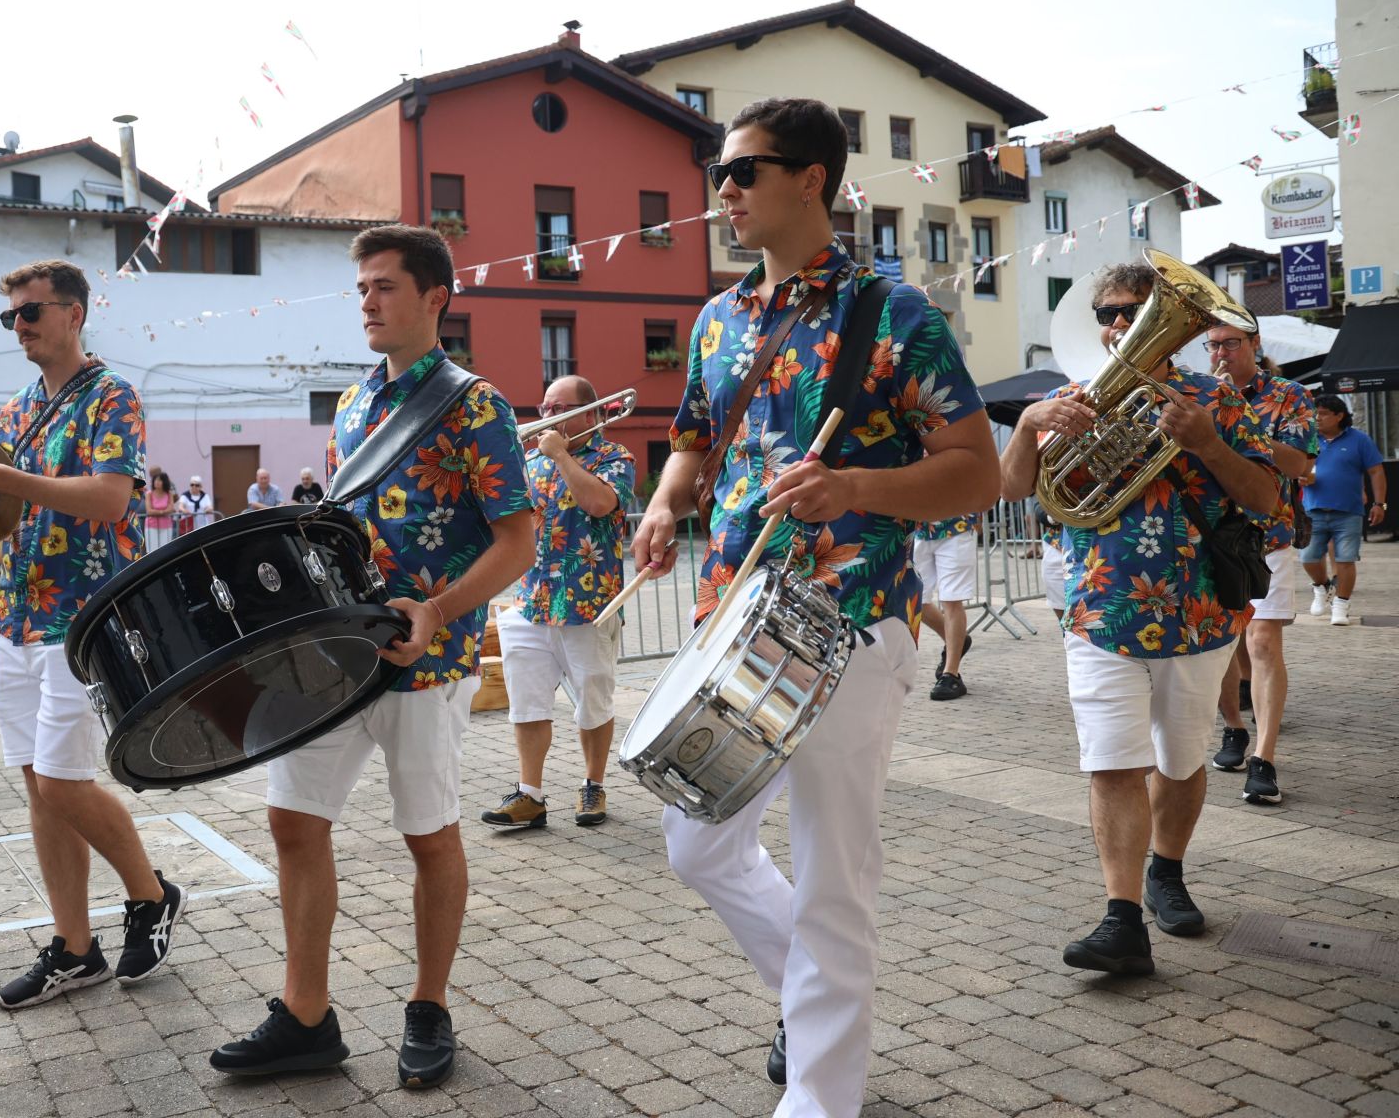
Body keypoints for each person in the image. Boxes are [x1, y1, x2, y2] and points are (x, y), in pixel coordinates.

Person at [630, 98, 997, 1114]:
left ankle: (822, 1094)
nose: (725, 191)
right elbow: (693, 442)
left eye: (746, 171)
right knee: (696, 840)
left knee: (836, 875)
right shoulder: (715, 319)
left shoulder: (892, 314)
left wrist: (858, 489)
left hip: (850, 620)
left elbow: (977, 472)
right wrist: (665, 506)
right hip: (732, 616)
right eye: (721, 172)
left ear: (813, 181)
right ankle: (817, 996)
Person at [210, 224, 533, 1090]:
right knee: (292, 820)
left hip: (428, 661)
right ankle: (307, 1017)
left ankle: (428, 1005)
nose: (367, 303)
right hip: (338, 654)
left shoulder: (477, 406)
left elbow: (517, 543)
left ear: (435, 297)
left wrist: (437, 608)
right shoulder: (353, 405)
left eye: (384, 287)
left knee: (428, 837)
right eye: (360, 289)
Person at [1000, 261, 1277, 977]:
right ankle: (1121, 918)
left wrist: (1208, 443)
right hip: (1100, 611)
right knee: (1111, 761)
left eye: (1131, 309)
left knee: (1181, 762)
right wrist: (1028, 424)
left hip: (1197, 611)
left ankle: (1167, 870)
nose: (1116, 323)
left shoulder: (1217, 400)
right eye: (1106, 311)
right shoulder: (1071, 398)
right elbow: (1009, 489)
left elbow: (1268, 500)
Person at [0, 257, 184, 1010]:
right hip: (16, 617)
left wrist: (3, 479)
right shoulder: (18, 410)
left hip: (84, 620)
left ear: (74, 313)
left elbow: (113, 500)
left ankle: (150, 895)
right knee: (38, 787)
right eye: (10, 316)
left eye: (31, 312)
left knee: (62, 781)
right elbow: (6, 512)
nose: (19, 326)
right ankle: (75, 947)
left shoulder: (113, 396)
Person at [481, 375, 635, 833]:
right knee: (526, 703)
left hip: (588, 604)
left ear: (589, 414)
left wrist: (562, 456)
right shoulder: (529, 459)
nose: (547, 418)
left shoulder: (614, 457)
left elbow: (600, 504)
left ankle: (593, 784)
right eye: (545, 408)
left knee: (593, 701)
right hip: (531, 600)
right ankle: (530, 795)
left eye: (559, 409)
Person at [1204, 328, 1317, 806]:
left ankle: (1265, 758)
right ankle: (1233, 726)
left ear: (1254, 344)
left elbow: (1298, 463)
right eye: (1212, 344)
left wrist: (1242, 431)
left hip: (1269, 533)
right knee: (1224, 643)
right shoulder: (1201, 391)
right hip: (1212, 534)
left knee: (1264, 642)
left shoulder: (1288, 394)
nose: (1220, 353)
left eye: (1230, 343)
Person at [1301, 394, 1387, 626]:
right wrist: (1299, 477)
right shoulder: (1309, 439)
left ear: (1339, 415)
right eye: (1315, 413)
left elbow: (1376, 472)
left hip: (1348, 512)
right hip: (1313, 511)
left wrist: (1380, 504)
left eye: (1323, 413)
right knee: (1308, 557)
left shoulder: (1359, 440)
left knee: (1346, 560)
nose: (1317, 418)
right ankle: (1322, 587)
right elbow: (1294, 467)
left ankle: (1341, 604)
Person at [913, 512, 978, 701]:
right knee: (916, 600)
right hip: (918, 530)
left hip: (956, 526)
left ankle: (951, 674)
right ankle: (957, 640)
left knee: (951, 599)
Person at [143, 472, 177, 551]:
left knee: (165, 549)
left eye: (159, 480)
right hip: (151, 526)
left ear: (164, 482)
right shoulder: (149, 494)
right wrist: (163, 512)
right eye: (155, 480)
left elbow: (171, 508)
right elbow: (149, 511)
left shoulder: (169, 494)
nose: (156, 482)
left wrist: (157, 512)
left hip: (166, 525)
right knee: (152, 550)